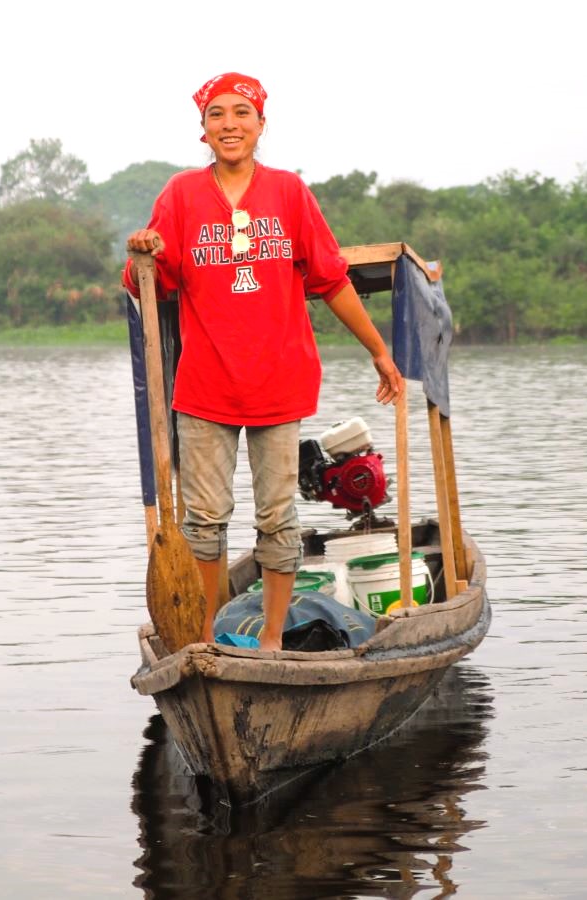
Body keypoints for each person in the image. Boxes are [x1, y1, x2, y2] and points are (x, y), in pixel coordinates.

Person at [123, 72, 403, 652]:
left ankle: (272, 641)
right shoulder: (180, 196)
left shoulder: (288, 193)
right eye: (218, 115)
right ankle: (205, 640)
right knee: (204, 521)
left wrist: (380, 352)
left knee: (276, 518)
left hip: (279, 380)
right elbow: (151, 284)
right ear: (203, 129)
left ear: (260, 124)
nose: (230, 124)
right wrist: (143, 252)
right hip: (205, 386)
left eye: (242, 114)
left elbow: (330, 279)